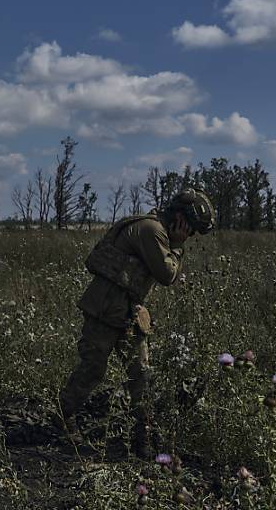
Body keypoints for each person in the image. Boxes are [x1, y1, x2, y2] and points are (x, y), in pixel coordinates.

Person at [55, 188, 215, 459]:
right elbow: (166, 274)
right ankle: (63, 419)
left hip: (129, 312)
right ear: (181, 218)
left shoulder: (156, 229)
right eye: (192, 229)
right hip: (105, 310)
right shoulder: (151, 230)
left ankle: (144, 438)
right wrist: (176, 247)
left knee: (140, 376)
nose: (190, 236)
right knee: (92, 369)